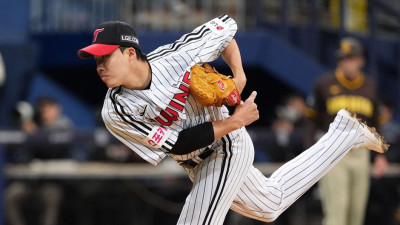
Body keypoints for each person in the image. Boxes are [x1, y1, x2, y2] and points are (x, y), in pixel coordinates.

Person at [77, 16, 388, 225]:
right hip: (200, 155)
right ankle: (344, 135)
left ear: (131, 53)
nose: (99, 65)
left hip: (226, 148)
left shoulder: (176, 57)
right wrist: (236, 120)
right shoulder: (115, 111)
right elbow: (179, 143)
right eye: (96, 59)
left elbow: (225, 28)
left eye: (106, 56)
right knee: (270, 204)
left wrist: (238, 76)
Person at [304, 37, 389, 225]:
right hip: (334, 153)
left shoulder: (370, 86)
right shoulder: (324, 83)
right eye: (342, 58)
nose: (345, 62)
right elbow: (311, 119)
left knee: (356, 212)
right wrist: (310, 151)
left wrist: (381, 154)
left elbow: (377, 122)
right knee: (337, 211)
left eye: (350, 58)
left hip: (361, 153)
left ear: (361, 60)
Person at [5, 97, 74, 225]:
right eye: (42, 108)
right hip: (31, 182)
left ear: (57, 109)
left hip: (51, 182)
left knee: (52, 196)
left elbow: (54, 152)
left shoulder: (63, 126)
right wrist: (25, 133)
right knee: (11, 195)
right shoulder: (35, 125)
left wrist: (35, 135)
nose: (44, 111)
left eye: (48, 107)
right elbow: (15, 152)